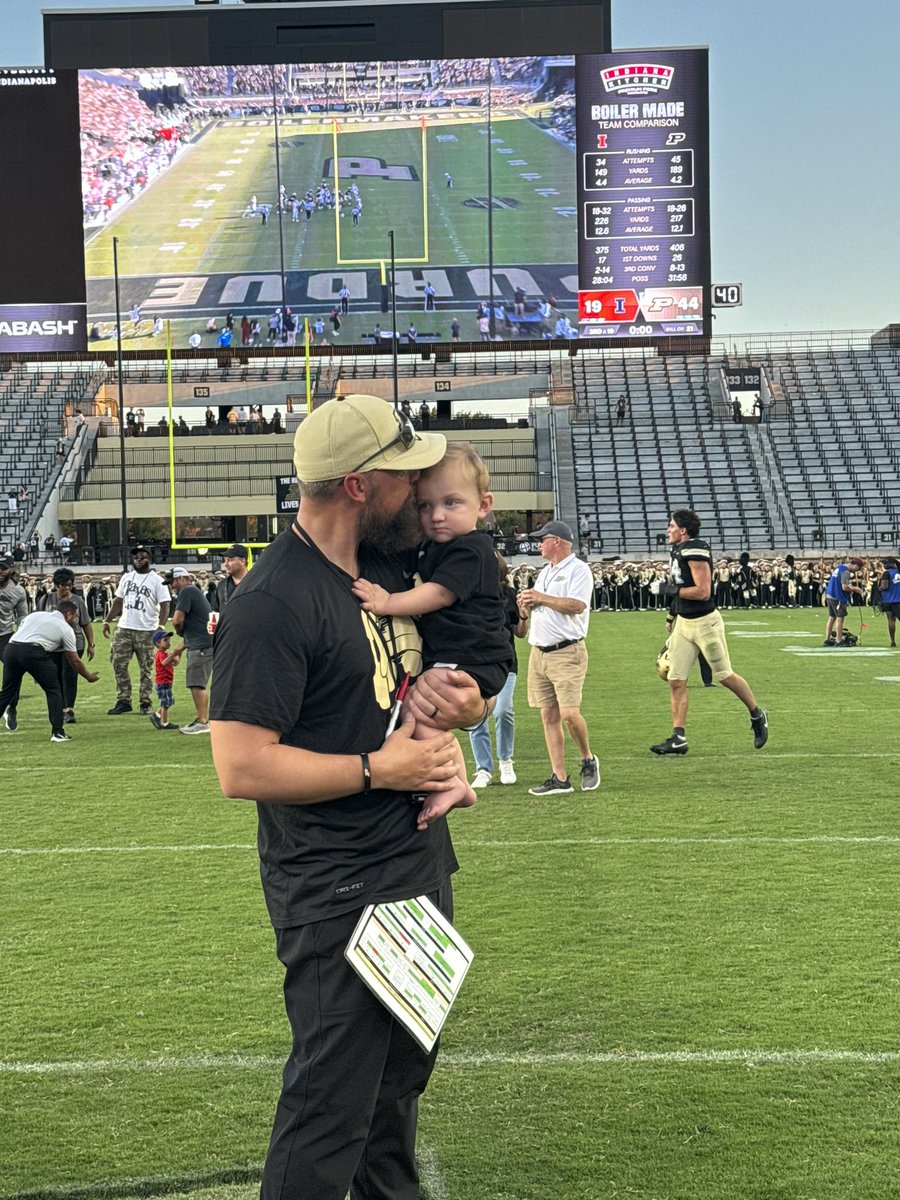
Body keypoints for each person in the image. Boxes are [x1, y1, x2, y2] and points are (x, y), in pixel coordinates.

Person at [209, 392, 487, 1200]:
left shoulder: (385, 573)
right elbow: (242, 767)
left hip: (413, 870)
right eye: (405, 475)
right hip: (338, 892)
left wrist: (459, 718)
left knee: (396, 1094)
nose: (422, 489)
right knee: (330, 1111)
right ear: (362, 485)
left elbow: (432, 686)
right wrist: (380, 769)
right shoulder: (272, 601)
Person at [353, 442, 512, 822]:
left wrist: (388, 602)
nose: (437, 515)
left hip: (472, 655)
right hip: (463, 654)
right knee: (419, 712)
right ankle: (455, 778)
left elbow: (439, 593)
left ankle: (451, 781)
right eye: (424, 506)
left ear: (483, 506)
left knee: (416, 711)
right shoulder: (432, 547)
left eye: (451, 503)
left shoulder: (471, 549)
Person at [650, 508, 768, 755]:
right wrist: (672, 613)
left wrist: (669, 591)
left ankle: (757, 714)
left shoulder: (696, 550)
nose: (668, 529)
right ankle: (678, 737)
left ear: (683, 530)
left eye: (671, 525)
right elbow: (682, 585)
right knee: (675, 680)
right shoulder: (678, 549)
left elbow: (703, 591)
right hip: (684, 622)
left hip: (705, 623)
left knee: (724, 676)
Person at [518, 521, 600, 794]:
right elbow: (545, 606)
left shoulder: (579, 570)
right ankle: (559, 778)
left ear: (556, 541)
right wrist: (527, 604)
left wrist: (540, 598)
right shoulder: (546, 572)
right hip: (539, 652)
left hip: (566, 651)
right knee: (548, 715)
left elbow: (577, 605)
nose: (539, 544)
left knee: (568, 713)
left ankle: (588, 759)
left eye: (542, 539)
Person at [0, 600, 99, 741]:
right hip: (34, 651)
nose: (76, 619)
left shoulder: (35, 615)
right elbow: (74, 660)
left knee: (7, 692)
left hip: (11, 648)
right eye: (75, 616)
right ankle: (58, 732)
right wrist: (88, 676)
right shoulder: (65, 628)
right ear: (68, 614)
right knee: (53, 690)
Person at [469, 552, 527, 787]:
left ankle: (505, 760)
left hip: (504, 663)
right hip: (474, 662)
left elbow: (520, 632)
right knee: (476, 716)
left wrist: (523, 615)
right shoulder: (467, 594)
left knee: (503, 710)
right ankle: (483, 768)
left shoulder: (507, 594)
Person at [103, 545, 171, 715]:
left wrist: (161, 626)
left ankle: (145, 701)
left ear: (150, 559)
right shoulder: (127, 577)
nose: (138, 560)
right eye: (136, 557)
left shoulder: (157, 580)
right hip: (124, 628)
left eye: (142, 557)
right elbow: (118, 601)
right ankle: (123, 700)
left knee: (146, 668)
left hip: (147, 629)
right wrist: (107, 620)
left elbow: (165, 604)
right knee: (118, 664)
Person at [36, 567, 95, 725]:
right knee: (54, 676)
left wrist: (91, 644)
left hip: (74, 643)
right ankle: (59, 707)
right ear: (56, 585)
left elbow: (86, 623)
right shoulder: (46, 600)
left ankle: (68, 709)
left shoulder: (78, 601)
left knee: (69, 675)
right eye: (63, 585)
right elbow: (39, 621)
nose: (66, 588)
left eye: (69, 585)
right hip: (52, 644)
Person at [168, 567, 214, 734]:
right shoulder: (193, 591)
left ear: (181, 579)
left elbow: (177, 621)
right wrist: (178, 650)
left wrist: (179, 632)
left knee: (197, 684)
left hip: (201, 647)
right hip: (203, 643)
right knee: (197, 683)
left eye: (172, 582)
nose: (171, 586)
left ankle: (202, 721)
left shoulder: (187, 591)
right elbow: (194, 630)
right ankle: (202, 720)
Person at [823, 556, 866, 646]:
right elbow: (844, 587)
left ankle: (827, 640)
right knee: (840, 618)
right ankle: (838, 641)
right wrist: (855, 589)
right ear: (855, 565)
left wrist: (850, 586)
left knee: (831, 618)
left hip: (830, 595)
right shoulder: (845, 571)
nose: (857, 571)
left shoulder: (839, 567)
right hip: (838, 597)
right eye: (858, 568)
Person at [150, 629, 180, 730]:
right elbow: (164, 663)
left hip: (167, 681)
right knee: (166, 703)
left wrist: (178, 655)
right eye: (165, 640)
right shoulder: (160, 654)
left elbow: (175, 664)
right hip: (162, 682)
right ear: (158, 643)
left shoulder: (165, 653)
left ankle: (157, 716)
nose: (168, 642)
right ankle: (165, 723)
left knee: (168, 701)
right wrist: (173, 654)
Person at [215, 544, 249, 610]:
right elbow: (216, 611)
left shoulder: (256, 583)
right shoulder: (222, 585)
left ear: (242, 561)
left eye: (230, 560)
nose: (225, 564)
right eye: (225, 560)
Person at [878, 556, 900, 646]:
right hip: (898, 600)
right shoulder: (898, 572)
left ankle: (892, 641)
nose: (884, 565)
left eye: (885, 563)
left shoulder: (886, 573)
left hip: (887, 600)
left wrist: (878, 588)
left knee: (891, 620)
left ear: (891, 564)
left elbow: (884, 587)